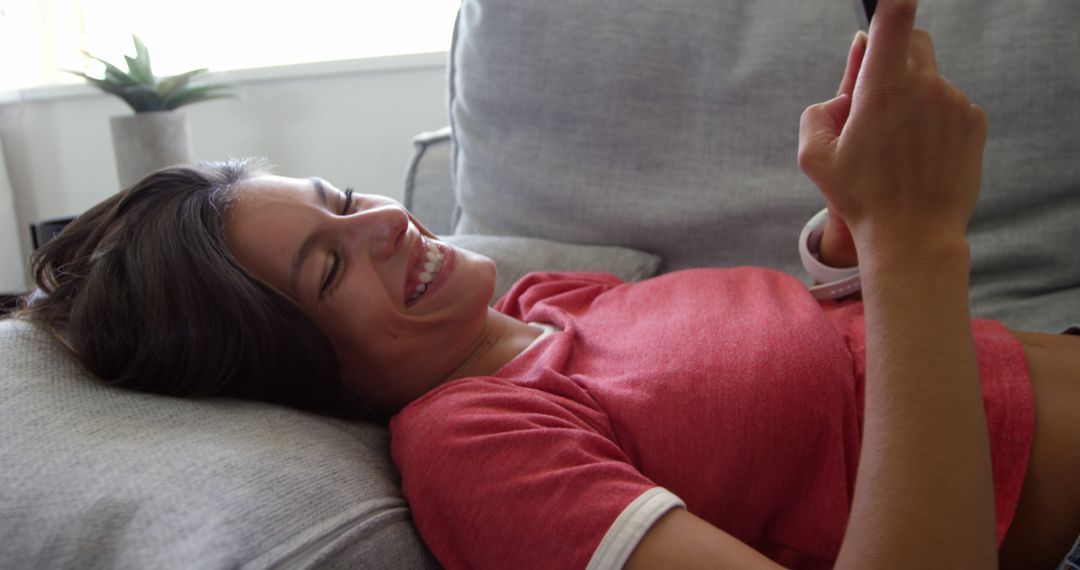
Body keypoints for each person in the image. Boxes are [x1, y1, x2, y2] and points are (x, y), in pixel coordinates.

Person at [13, 0, 1080, 568]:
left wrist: (852, 233)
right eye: (332, 262)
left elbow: (833, 381)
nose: (384, 222)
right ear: (297, 370)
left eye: (342, 199)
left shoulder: (542, 306)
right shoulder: (478, 451)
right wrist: (916, 245)